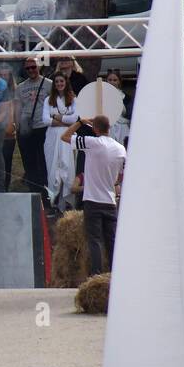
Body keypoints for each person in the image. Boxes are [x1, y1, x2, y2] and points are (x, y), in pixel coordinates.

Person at [62, 115, 126, 275]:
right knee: (111, 241)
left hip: (92, 200)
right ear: (109, 128)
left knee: (95, 241)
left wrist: (80, 122)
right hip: (110, 201)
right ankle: (114, 274)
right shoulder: (120, 149)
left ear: (95, 128)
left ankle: (96, 275)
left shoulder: (92, 143)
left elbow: (65, 137)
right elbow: (120, 176)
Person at [13, 57, 51, 204]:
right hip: (26, 128)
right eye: (28, 68)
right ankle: (34, 194)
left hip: (43, 126)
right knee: (29, 163)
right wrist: (17, 126)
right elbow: (17, 108)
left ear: (39, 67)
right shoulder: (21, 87)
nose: (31, 70)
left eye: (33, 67)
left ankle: (45, 195)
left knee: (43, 162)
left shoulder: (49, 84)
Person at [43, 69, 79, 213]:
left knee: (68, 167)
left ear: (66, 83)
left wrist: (56, 116)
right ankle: (55, 205)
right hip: (52, 137)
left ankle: (67, 205)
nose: (59, 84)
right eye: (57, 82)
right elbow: (45, 120)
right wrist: (65, 121)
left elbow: (75, 119)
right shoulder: (48, 100)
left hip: (68, 137)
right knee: (53, 170)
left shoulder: (73, 99)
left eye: (61, 81)